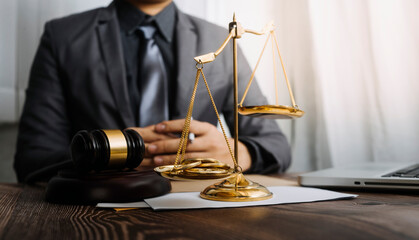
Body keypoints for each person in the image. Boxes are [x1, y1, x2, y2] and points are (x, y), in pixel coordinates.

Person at [14, 0, 291, 182]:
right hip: (98, 213)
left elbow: (276, 145)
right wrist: (110, 155)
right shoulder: (63, 37)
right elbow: (32, 159)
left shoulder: (220, 39)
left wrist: (239, 153)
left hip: (198, 207)